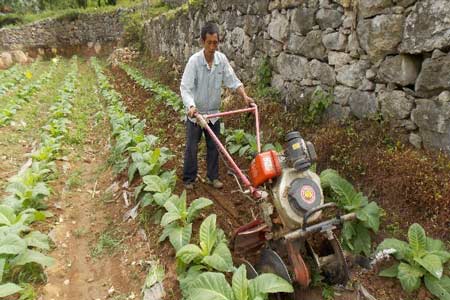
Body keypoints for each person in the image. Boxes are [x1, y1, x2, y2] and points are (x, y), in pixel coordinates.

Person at [180, 22, 254, 190]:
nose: (213, 47)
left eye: (215, 43)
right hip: (196, 115)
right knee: (192, 147)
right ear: (202, 42)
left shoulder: (221, 60)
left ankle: (213, 177)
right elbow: (185, 87)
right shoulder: (194, 62)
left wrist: (244, 96)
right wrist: (191, 106)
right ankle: (189, 179)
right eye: (209, 43)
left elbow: (233, 80)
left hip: (213, 114)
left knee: (214, 147)